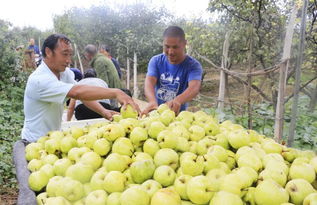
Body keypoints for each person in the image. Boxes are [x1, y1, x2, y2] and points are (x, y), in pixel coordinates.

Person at [13, 34, 140, 205]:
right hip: (35, 144)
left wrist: (104, 112)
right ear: (48, 52)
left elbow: (78, 91)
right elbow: (77, 93)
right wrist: (116, 92)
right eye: (64, 54)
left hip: (54, 141)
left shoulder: (62, 73)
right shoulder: (39, 80)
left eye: (70, 54)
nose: (69, 60)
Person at [142, 26, 203, 115]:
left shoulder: (193, 66)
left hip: (178, 116)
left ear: (185, 44)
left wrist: (177, 101)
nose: (170, 52)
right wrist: (152, 101)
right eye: (167, 46)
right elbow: (149, 82)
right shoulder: (156, 61)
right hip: (155, 113)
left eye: (175, 47)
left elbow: (194, 88)